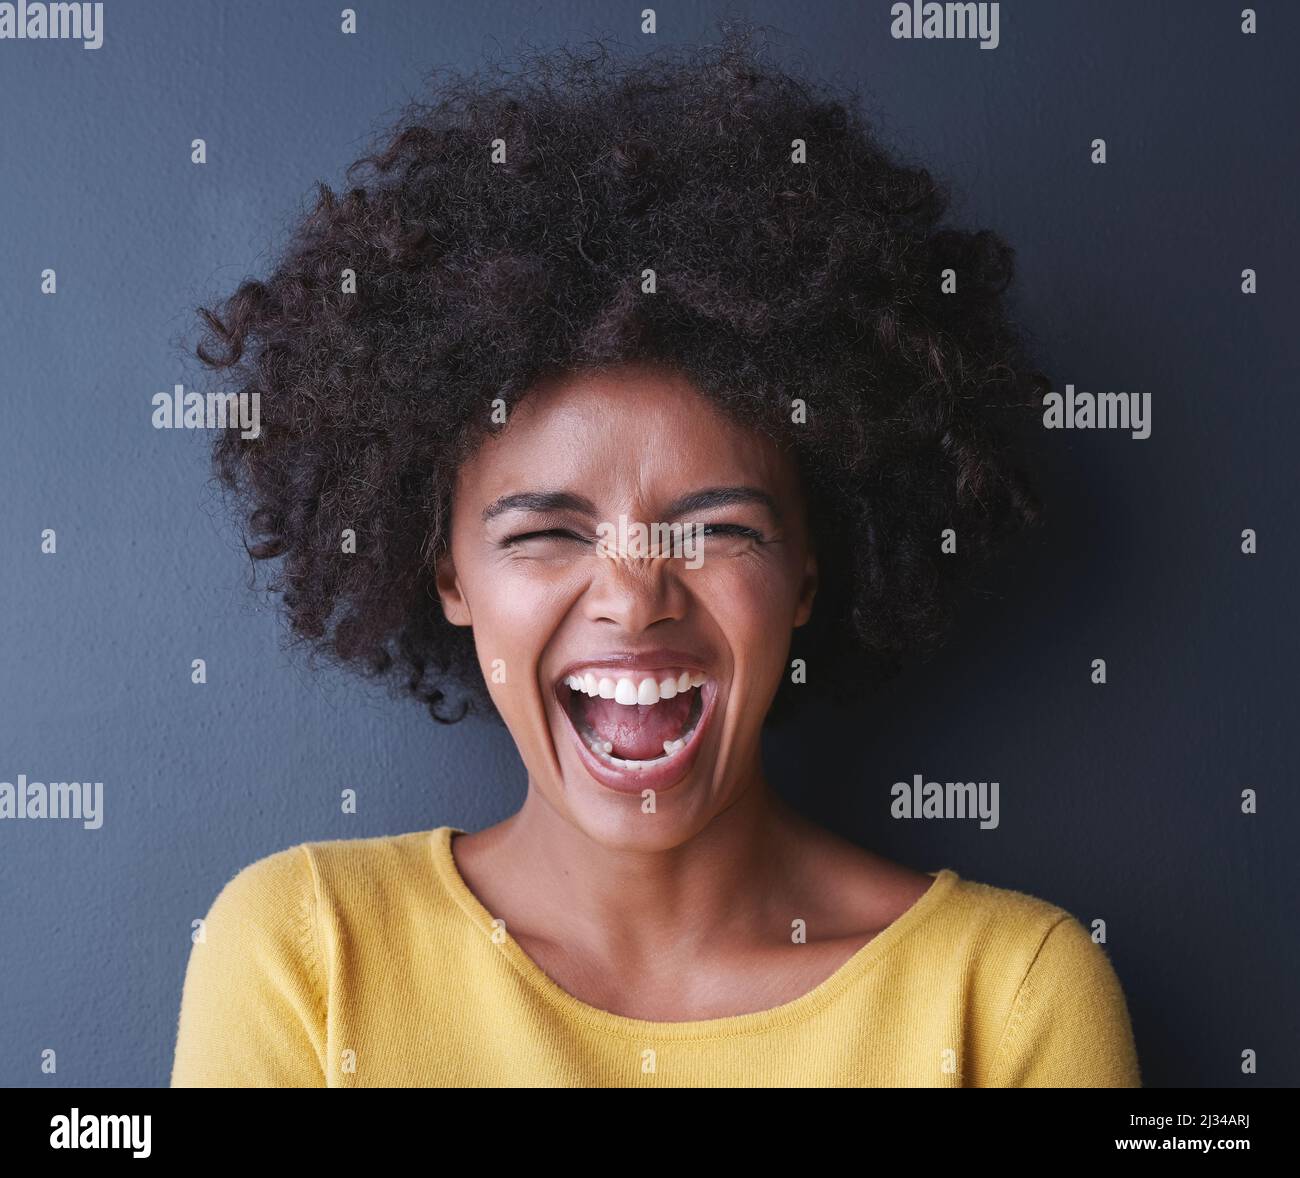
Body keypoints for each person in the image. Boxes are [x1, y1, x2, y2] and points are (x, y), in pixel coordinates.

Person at [171, 22, 1141, 1087]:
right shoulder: (306, 955)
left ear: (809, 567)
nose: (635, 599)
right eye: (546, 531)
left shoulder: (1005, 994)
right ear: (446, 571)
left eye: (716, 528)